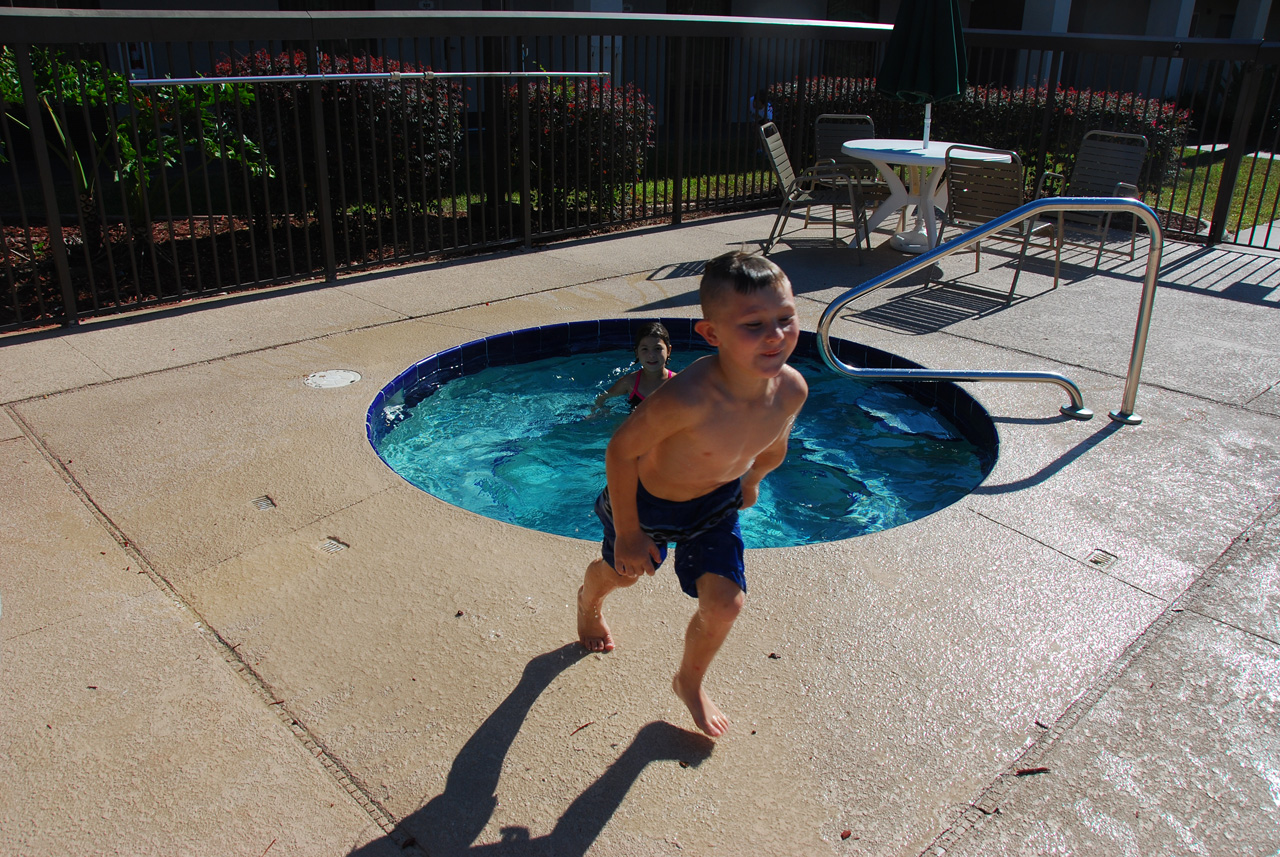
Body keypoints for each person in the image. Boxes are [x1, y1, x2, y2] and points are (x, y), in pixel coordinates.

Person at [576, 251, 808, 738]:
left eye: (785, 318)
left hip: (715, 506)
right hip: (647, 505)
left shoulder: (791, 390)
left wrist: (752, 480)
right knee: (624, 577)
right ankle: (589, 601)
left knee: (725, 604)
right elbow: (620, 451)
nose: (775, 335)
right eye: (754, 324)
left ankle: (689, 681)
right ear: (712, 334)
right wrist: (630, 531)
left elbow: (773, 445)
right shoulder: (688, 397)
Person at [592, 321, 675, 413]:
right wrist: (598, 412)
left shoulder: (677, 382)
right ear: (637, 352)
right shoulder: (630, 382)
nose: (651, 355)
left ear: (668, 351)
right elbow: (602, 398)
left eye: (658, 349)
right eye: (645, 349)